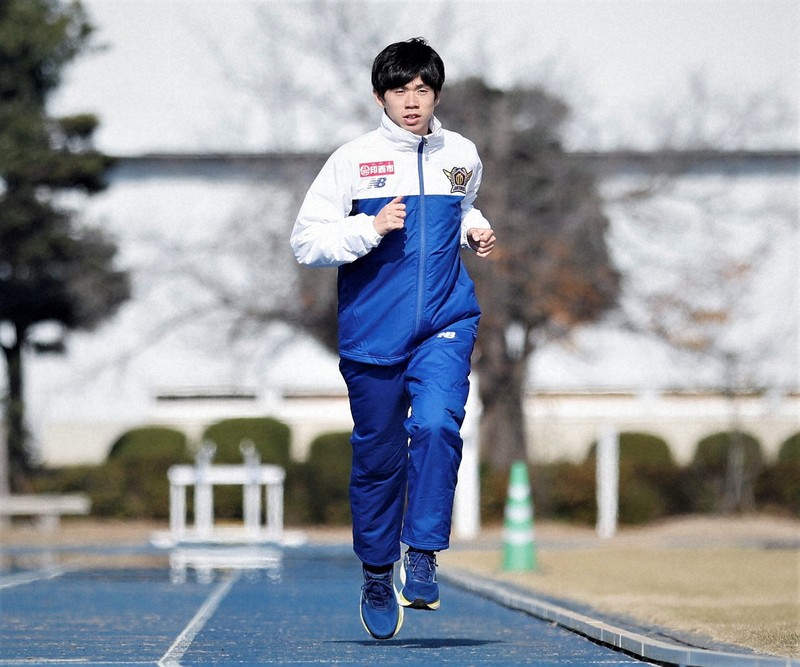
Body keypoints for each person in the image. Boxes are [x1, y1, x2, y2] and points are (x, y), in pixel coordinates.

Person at [290, 37, 496, 640]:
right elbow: (306, 242)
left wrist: (476, 228)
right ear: (380, 96)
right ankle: (378, 571)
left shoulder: (462, 153)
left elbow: (463, 206)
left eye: (422, 90)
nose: (412, 101)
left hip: (445, 322)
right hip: (372, 334)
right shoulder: (353, 160)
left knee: (436, 426)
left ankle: (422, 553)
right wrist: (370, 226)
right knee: (379, 461)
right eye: (400, 90)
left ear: (437, 95)